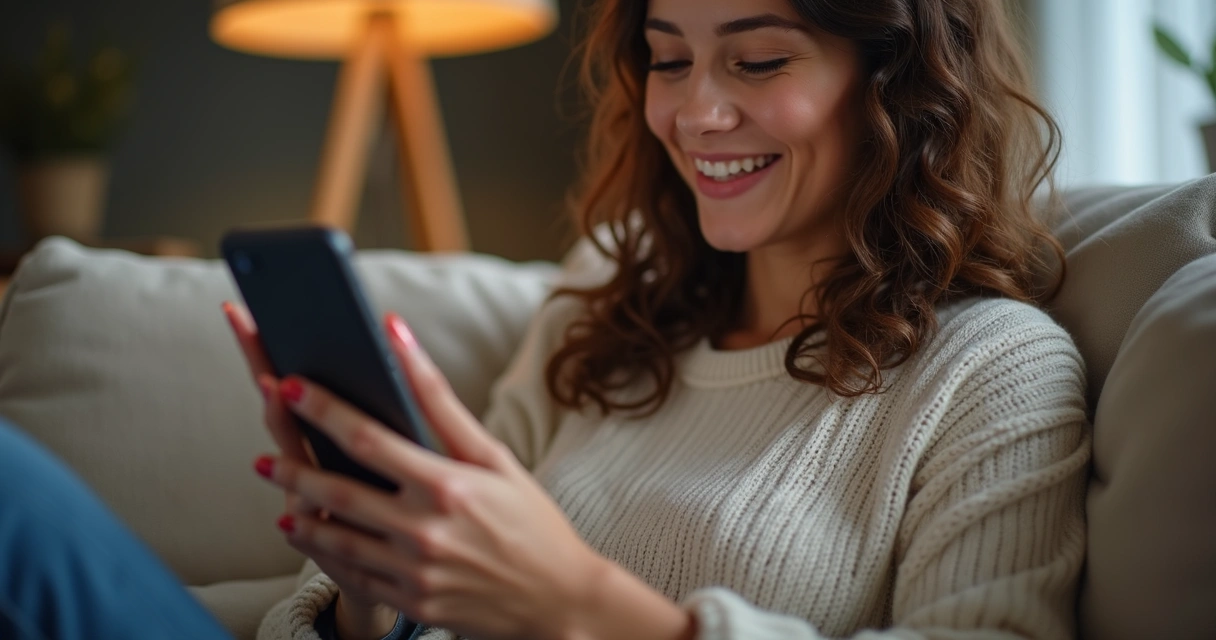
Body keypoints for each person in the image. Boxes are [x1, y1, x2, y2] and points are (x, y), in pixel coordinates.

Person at [0, 0, 1088, 639]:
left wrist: (579, 605)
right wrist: (374, 589)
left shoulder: (994, 370)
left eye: (756, 60)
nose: (695, 111)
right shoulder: (614, 319)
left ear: (899, 83)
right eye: (667, 57)